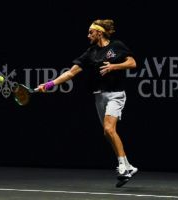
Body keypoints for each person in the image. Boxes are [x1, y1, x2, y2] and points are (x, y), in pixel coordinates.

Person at [38, 19, 138, 187]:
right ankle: (128, 166)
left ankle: (122, 167)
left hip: (116, 95)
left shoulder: (116, 46)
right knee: (107, 133)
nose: (88, 35)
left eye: (91, 32)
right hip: (99, 96)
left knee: (108, 128)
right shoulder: (90, 53)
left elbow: (132, 63)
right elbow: (70, 73)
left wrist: (114, 66)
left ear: (99, 32)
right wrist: (48, 85)